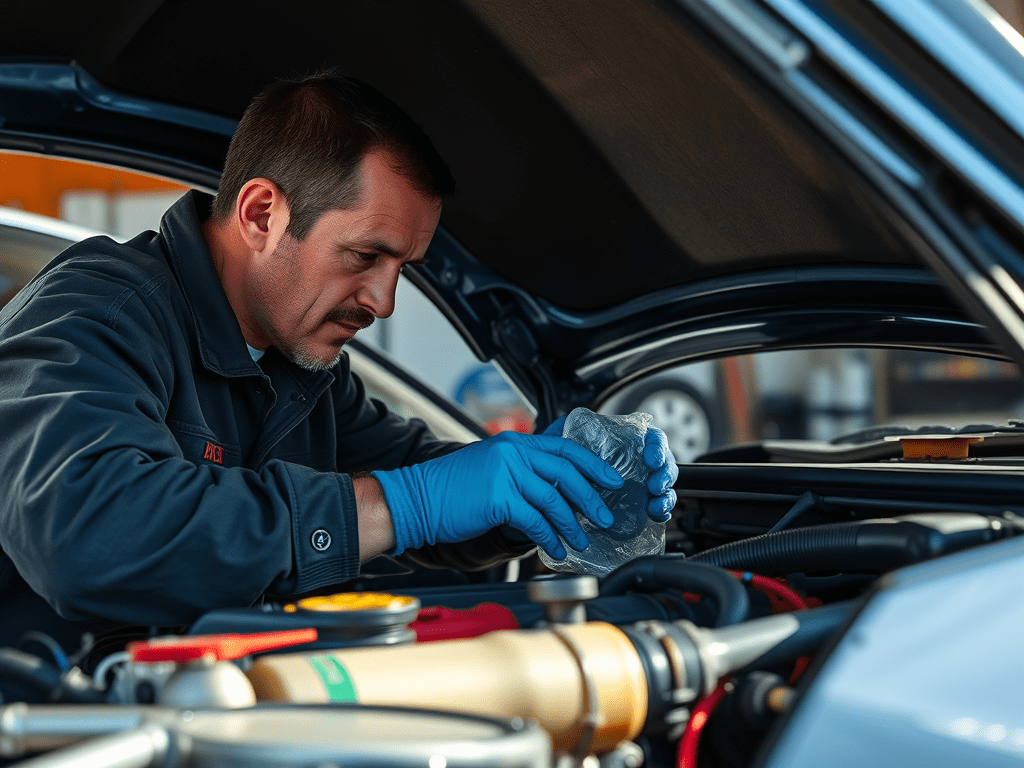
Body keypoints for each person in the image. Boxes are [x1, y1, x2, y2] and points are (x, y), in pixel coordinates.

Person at [0, 73, 678, 656]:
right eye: (363, 257)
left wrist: (543, 491)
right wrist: (405, 504)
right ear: (262, 213)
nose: (383, 302)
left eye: (403, 270)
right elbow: (86, 533)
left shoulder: (303, 373)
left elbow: (420, 481)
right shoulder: (102, 314)